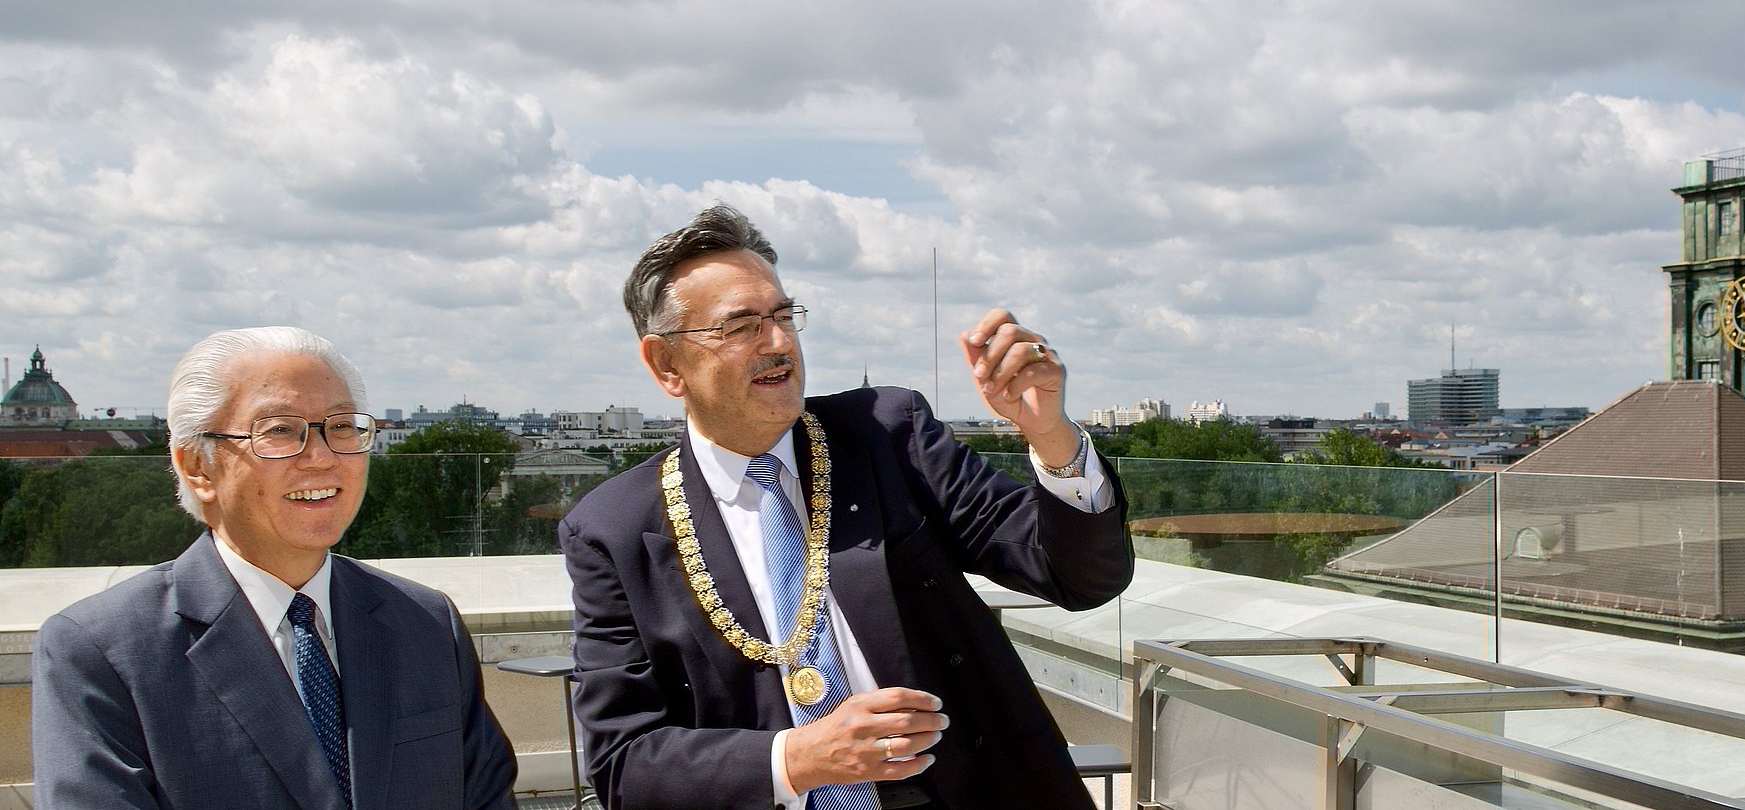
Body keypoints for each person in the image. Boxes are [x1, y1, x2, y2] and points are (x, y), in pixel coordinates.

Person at [561, 203, 1132, 809]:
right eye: (741, 326)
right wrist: (797, 760)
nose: (778, 343)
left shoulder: (887, 435)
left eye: (783, 315)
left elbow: (1081, 577)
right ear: (665, 364)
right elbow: (623, 766)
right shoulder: (614, 532)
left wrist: (1052, 439)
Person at [31, 326, 518, 810]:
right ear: (197, 467)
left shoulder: (426, 622)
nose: (323, 458)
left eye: (343, 427)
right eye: (281, 431)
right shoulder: (101, 653)